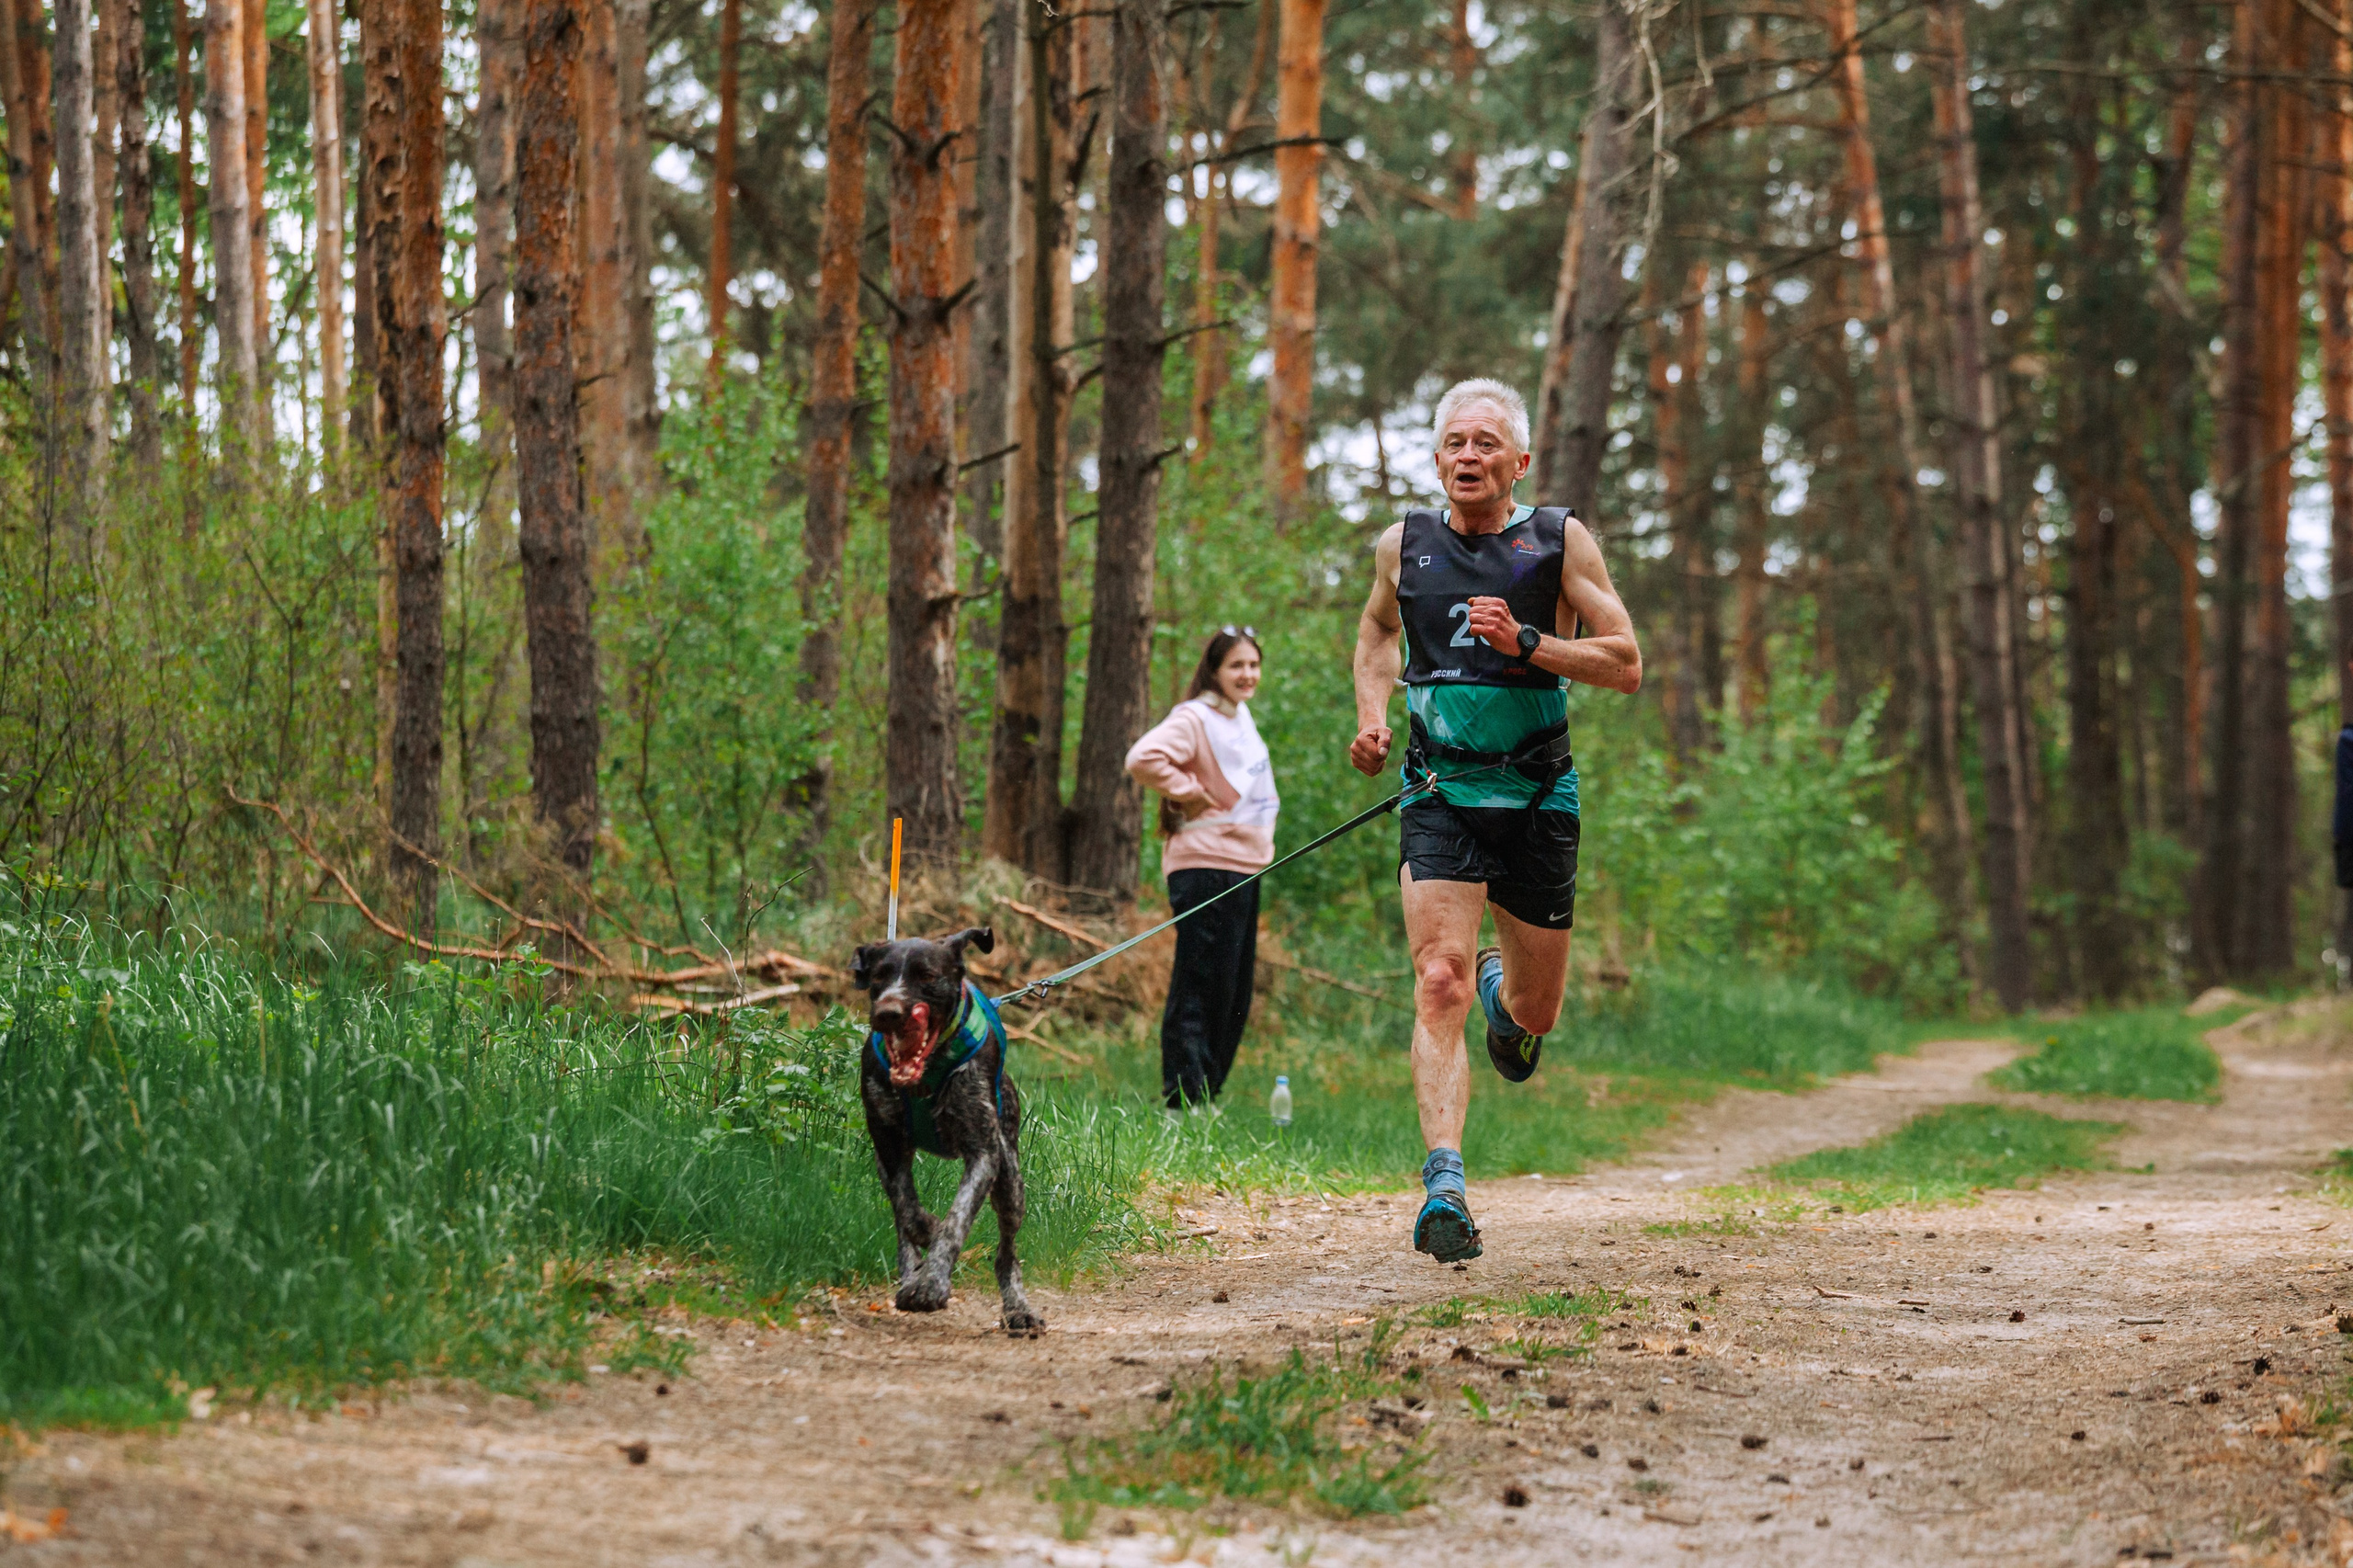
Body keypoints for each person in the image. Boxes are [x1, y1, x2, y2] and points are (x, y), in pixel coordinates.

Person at [1347, 379, 1642, 1262]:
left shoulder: (1558, 540)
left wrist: (1528, 643)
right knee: (1435, 978)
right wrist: (1371, 716)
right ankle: (1444, 1187)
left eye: (1486, 444)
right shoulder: (1404, 545)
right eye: (1454, 443)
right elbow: (1377, 633)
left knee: (1534, 1013)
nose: (1468, 457)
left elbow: (1626, 663)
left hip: (1538, 795)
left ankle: (1502, 1002)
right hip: (1440, 791)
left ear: (1520, 462)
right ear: (1437, 459)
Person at [1126, 628, 1280, 1108]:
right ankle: (1182, 1099)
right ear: (1214, 671)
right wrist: (1189, 793)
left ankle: (1207, 1094)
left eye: (1253, 665)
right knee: (1198, 982)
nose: (1247, 674)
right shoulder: (1194, 717)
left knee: (1232, 989)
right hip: (1204, 864)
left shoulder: (1240, 717)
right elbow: (1142, 758)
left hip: (1245, 864)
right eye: (1236, 666)